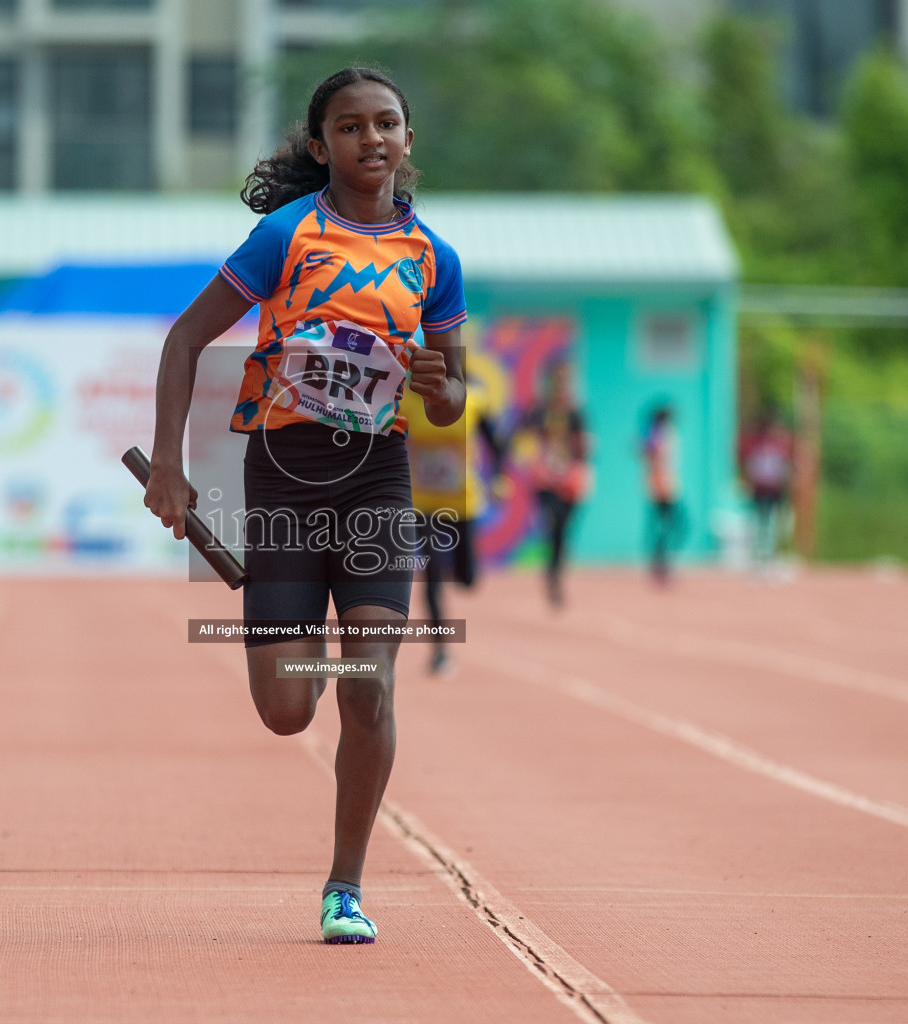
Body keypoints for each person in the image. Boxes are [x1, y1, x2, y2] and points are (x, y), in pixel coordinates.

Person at [143, 67, 466, 944]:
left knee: (370, 689)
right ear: (322, 146)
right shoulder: (286, 236)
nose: (373, 139)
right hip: (283, 478)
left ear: (408, 141)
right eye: (351, 127)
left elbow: (449, 398)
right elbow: (185, 340)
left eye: (387, 124)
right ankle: (302, 636)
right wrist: (169, 468)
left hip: (375, 481)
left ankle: (345, 888)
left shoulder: (434, 258)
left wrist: (442, 389)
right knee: (288, 710)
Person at [406, 358, 501, 674]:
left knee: (468, 579)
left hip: (464, 503)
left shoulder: (471, 402)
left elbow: (495, 442)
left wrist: (499, 475)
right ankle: (440, 652)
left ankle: (453, 568)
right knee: (432, 578)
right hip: (426, 504)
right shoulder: (406, 404)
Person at [517, 362, 589, 607]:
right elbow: (523, 438)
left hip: (569, 482)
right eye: (557, 380)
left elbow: (584, 447)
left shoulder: (575, 413)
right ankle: (553, 575)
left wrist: (579, 471)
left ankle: (555, 572)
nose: (562, 386)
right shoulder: (538, 411)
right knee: (553, 523)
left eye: (566, 380)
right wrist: (533, 463)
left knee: (562, 532)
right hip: (546, 481)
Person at [738, 406, 793, 576]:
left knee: (773, 524)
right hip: (760, 488)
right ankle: (758, 558)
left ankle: (770, 557)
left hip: (775, 488)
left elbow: (786, 466)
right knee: (759, 523)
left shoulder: (781, 444)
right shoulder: (756, 443)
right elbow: (749, 464)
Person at [642, 403, 683, 585]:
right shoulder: (658, 433)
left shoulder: (661, 432)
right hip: (662, 483)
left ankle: (660, 561)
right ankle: (661, 562)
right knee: (672, 524)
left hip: (666, 482)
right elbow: (651, 455)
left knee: (667, 525)